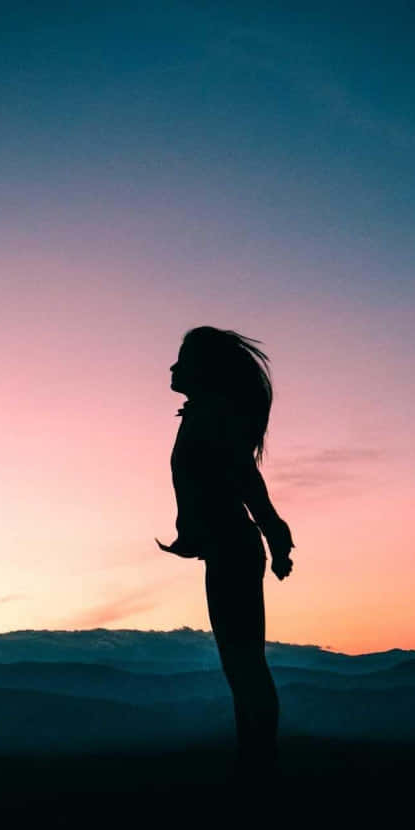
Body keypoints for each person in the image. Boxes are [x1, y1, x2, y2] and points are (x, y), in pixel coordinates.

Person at [155, 327, 294, 781]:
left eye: (181, 360)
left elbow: (242, 475)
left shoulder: (213, 414)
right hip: (226, 548)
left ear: (204, 370)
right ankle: (254, 761)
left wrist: (274, 531)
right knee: (241, 665)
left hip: (232, 549)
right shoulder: (204, 414)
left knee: (244, 664)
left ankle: (258, 766)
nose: (172, 368)